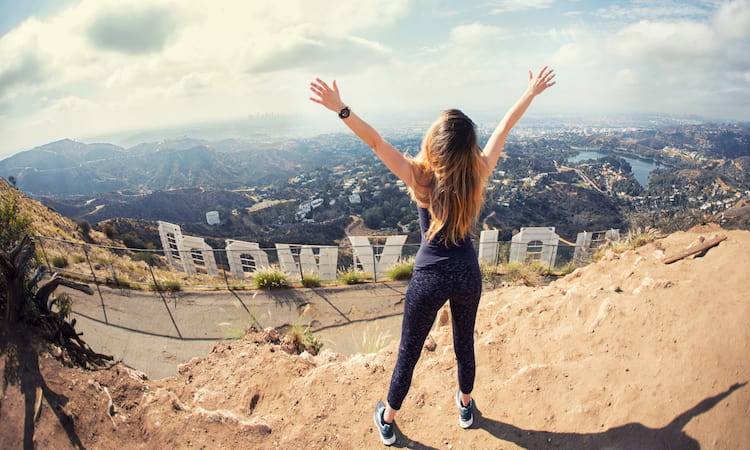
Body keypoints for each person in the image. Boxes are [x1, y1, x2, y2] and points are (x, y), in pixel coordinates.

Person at [309, 67, 556, 446]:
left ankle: (388, 419)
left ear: (433, 144)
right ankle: (465, 406)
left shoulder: (419, 176)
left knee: (409, 350)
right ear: (468, 148)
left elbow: (375, 143)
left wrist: (341, 109)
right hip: (467, 274)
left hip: (428, 276)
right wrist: (530, 93)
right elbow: (504, 129)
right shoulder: (478, 174)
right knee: (464, 343)